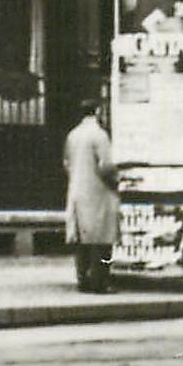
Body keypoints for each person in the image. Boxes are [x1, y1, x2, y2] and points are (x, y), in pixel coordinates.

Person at [64, 98, 119, 293]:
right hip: (99, 193)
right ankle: (101, 281)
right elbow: (106, 166)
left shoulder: (73, 135)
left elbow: (66, 163)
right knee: (103, 241)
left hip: (78, 191)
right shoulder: (100, 135)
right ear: (97, 112)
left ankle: (83, 279)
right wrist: (116, 183)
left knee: (82, 240)